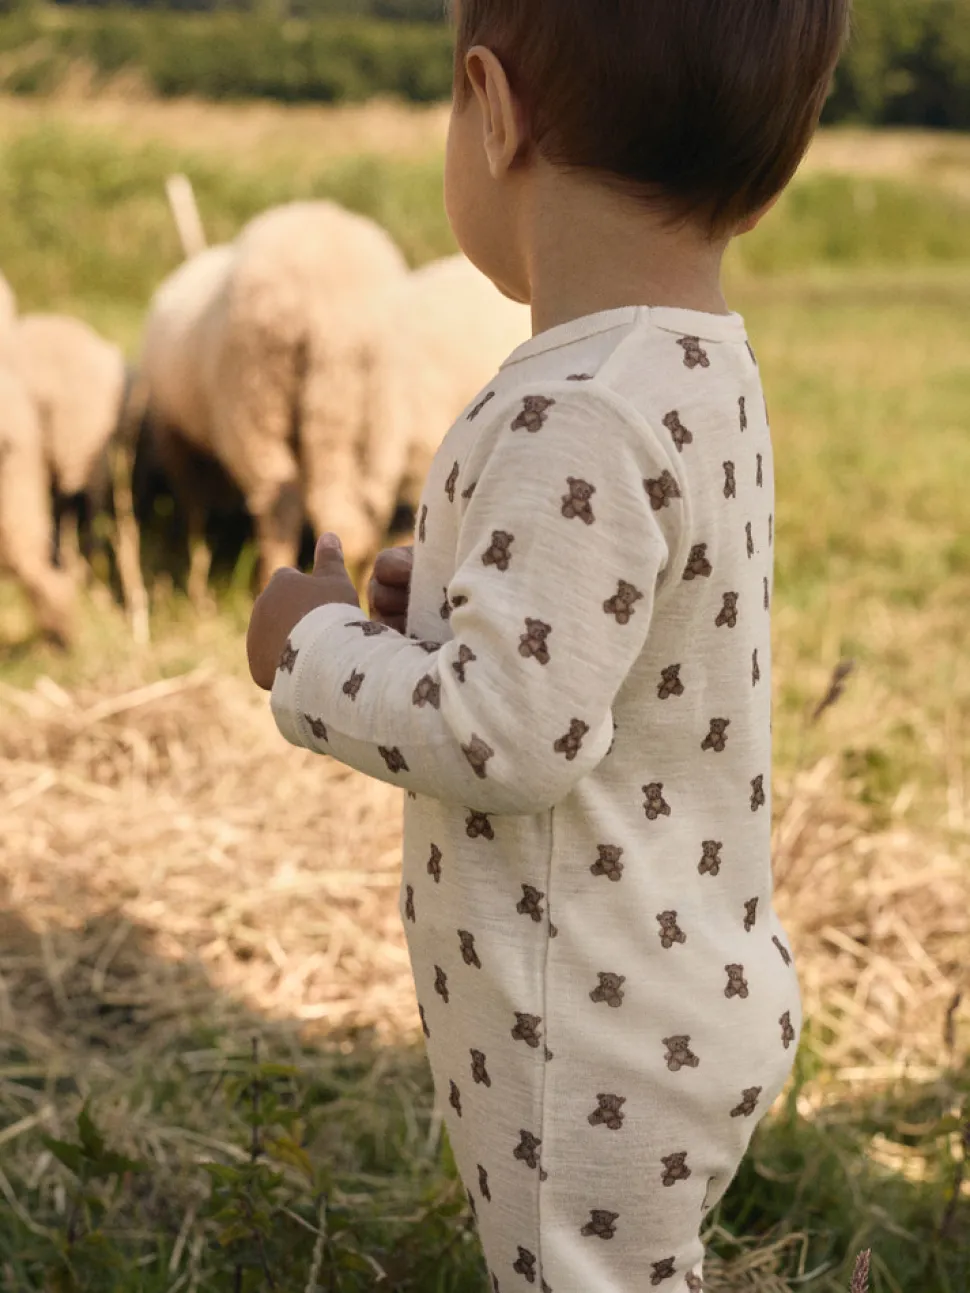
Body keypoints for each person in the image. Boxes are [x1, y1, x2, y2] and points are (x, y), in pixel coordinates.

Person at [246, 2, 850, 1287]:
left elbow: (504, 738)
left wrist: (312, 651)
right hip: (687, 976)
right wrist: (452, 609)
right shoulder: (697, 365)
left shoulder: (572, 407)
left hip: (582, 1037)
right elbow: (626, 640)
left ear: (492, 108)